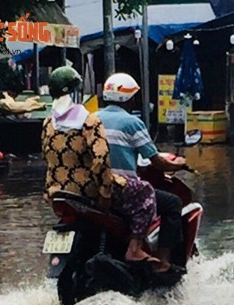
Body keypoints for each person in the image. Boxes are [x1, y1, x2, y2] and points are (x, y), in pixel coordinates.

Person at [41, 66, 162, 268]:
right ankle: (135, 249)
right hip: (88, 191)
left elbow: (48, 157)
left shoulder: (48, 123)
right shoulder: (89, 121)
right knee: (146, 192)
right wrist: (105, 196)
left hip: (58, 192)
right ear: (76, 93)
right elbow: (100, 161)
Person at [96, 73, 188, 275]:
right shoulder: (132, 123)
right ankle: (161, 261)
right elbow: (157, 162)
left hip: (92, 189)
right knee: (172, 203)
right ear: (130, 99)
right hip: (121, 190)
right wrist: (180, 163)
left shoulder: (90, 119)